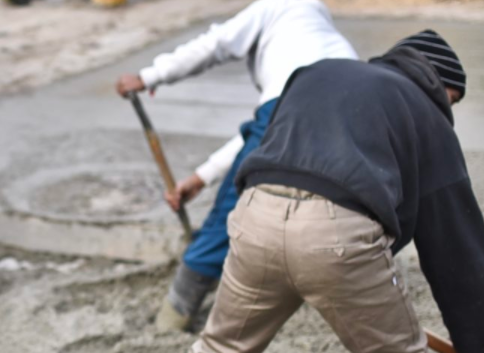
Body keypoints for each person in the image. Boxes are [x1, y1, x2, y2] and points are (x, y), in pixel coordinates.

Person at [149, 30, 484, 353]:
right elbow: (453, 241)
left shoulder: (316, 75)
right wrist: (477, 346)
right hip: (337, 235)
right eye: (453, 100)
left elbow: (261, 147)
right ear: (439, 84)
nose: (449, 111)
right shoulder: (425, 112)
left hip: (254, 215)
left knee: (219, 352)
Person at [115, 0, 357, 331]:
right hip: (356, 113)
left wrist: (148, 76)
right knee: (327, 212)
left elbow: (215, 43)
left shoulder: (280, 6)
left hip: (293, 102)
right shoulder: (321, 36)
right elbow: (264, 135)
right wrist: (202, 176)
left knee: (232, 212)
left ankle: (174, 317)